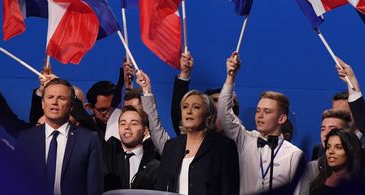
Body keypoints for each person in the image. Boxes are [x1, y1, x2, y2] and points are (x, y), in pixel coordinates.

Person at [139, 70, 239, 195]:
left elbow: (229, 189)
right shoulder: (172, 146)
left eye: (196, 107)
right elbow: (161, 186)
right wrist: (146, 90)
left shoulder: (224, 147)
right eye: (185, 107)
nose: (189, 111)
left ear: (208, 115)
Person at [218, 52, 303, 194]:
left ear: (281, 119)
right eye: (258, 111)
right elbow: (223, 111)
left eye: (267, 111)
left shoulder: (294, 154)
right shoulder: (245, 140)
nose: (259, 116)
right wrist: (230, 77)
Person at [14, 78, 102, 195]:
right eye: (50, 97)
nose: (54, 102)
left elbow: (94, 188)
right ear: (42, 104)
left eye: (61, 98)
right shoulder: (26, 139)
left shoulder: (88, 139)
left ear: (71, 106)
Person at [103, 105, 160, 191]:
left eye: (134, 123)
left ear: (145, 131)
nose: (127, 127)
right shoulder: (109, 157)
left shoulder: (155, 165)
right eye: (123, 123)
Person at [309, 128, 364, 195]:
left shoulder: (360, 184)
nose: (330, 151)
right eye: (328, 147)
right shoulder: (318, 182)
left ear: (350, 151)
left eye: (338, 147)